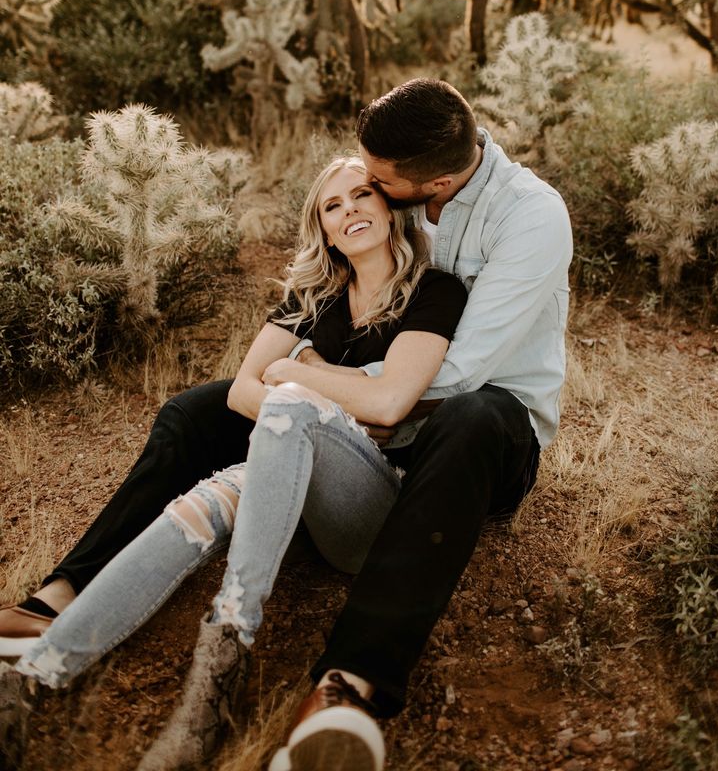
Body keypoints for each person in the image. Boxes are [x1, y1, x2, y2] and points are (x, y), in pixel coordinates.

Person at [2, 78, 573, 771]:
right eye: (338, 201)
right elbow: (266, 379)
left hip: (478, 430)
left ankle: (349, 684)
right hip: (348, 443)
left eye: (374, 189)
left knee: (461, 415)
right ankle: (51, 629)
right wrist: (304, 386)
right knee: (194, 417)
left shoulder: (524, 223)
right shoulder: (336, 279)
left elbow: (441, 381)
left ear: (429, 188)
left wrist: (301, 378)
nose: (366, 200)